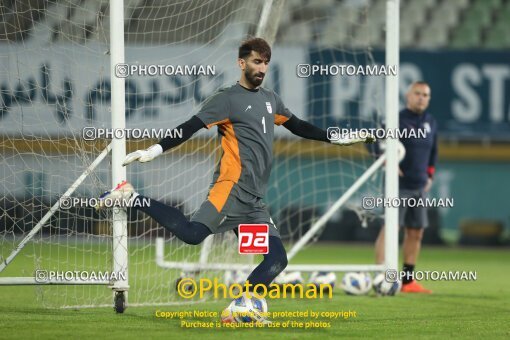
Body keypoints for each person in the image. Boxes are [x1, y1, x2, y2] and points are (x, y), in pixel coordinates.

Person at [99, 37, 374, 318]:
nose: (262, 68)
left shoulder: (270, 99)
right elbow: (190, 126)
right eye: (257, 61)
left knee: (277, 259)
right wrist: (155, 149)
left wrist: (335, 138)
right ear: (241, 63)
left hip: (253, 203)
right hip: (230, 191)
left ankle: (239, 307)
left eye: (266, 62)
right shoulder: (226, 99)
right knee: (193, 235)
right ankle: (131, 196)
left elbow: (298, 126)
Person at [374, 81, 438, 294]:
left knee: (416, 232)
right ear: (408, 96)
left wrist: (429, 175)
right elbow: (374, 142)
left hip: (419, 186)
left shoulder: (431, 122)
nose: (421, 97)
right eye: (417, 93)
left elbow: (433, 152)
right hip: (397, 186)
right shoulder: (396, 119)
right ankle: (381, 276)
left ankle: (408, 281)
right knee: (391, 229)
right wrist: (386, 160)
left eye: (426, 95)